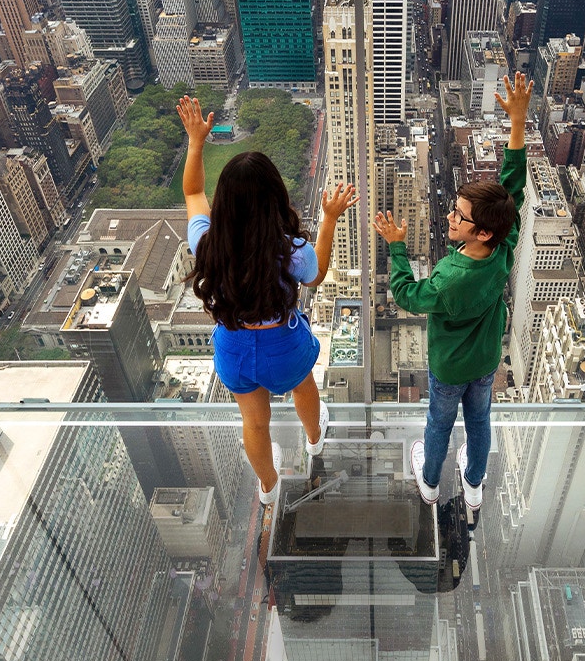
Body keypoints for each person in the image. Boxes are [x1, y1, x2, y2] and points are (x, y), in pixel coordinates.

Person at [179, 95, 356, 507]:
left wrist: (196, 142)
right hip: (284, 346)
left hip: (235, 347)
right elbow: (317, 275)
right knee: (304, 389)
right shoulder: (288, 250)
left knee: (254, 423)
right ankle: (314, 442)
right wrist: (329, 218)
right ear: (275, 199)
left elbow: (192, 193)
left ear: (224, 205)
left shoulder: (207, 243)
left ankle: (269, 486)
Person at [376, 72, 530, 510]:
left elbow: (407, 295)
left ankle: (429, 481)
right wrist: (517, 124)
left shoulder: (449, 279)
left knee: (438, 425)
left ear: (481, 230)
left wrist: (397, 248)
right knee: (480, 421)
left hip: (448, 366)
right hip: (485, 360)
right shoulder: (503, 245)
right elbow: (512, 188)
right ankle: (475, 483)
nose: (449, 217)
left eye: (458, 217)